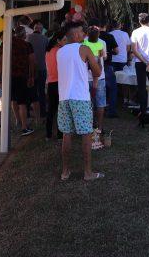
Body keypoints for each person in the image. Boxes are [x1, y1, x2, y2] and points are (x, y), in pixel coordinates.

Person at [57, 21, 104, 181]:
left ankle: (65, 172)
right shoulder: (84, 49)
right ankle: (88, 173)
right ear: (75, 34)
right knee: (86, 134)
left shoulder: (60, 52)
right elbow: (97, 72)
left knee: (67, 134)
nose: (84, 34)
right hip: (80, 98)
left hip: (64, 97)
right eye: (81, 32)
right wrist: (97, 62)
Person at [0, 26, 36, 136]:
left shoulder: (6, 44)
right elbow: (32, 61)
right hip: (22, 76)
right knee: (22, 103)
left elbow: (1, 62)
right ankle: (24, 127)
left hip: (8, 76)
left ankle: (18, 121)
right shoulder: (27, 45)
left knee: (13, 100)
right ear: (23, 34)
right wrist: (31, 76)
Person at [83, 23, 107, 136]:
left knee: (87, 103)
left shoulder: (83, 44)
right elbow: (104, 57)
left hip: (85, 78)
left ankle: (89, 126)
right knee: (100, 103)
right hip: (99, 77)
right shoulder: (102, 43)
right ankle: (100, 127)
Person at [27, 23, 49, 124]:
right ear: (41, 30)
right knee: (41, 91)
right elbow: (47, 51)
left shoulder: (28, 37)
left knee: (30, 90)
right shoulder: (45, 39)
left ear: (34, 29)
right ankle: (43, 113)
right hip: (41, 67)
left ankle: (27, 111)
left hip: (30, 68)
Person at [45, 31, 66, 140]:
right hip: (59, 82)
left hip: (51, 82)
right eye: (64, 40)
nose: (65, 42)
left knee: (51, 110)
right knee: (60, 110)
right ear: (58, 41)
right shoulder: (60, 51)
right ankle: (60, 135)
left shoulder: (48, 51)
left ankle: (48, 134)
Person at [98, 18, 119, 118]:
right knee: (113, 88)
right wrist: (110, 52)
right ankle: (112, 111)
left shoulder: (94, 37)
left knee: (99, 89)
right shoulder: (110, 36)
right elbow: (117, 51)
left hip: (95, 66)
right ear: (105, 26)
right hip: (107, 65)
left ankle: (99, 109)